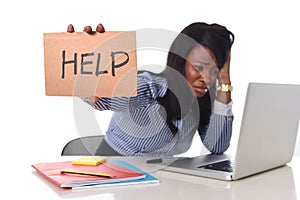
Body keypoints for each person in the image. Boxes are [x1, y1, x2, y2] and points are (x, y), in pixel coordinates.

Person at [67, 22, 235, 156]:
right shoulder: (150, 86)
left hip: (160, 181)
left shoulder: (200, 103)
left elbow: (217, 146)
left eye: (214, 71)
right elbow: (107, 99)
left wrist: (225, 82)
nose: (207, 78)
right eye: (198, 67)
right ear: (179, 60)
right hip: (115, 168)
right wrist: (91, 75)